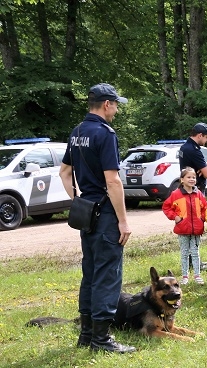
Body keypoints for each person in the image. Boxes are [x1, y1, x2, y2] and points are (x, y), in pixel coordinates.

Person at [59, 83, 135, 353]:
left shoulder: (77, 132)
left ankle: (86, 334)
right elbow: (113, 180)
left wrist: (78, 199)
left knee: (90, 273)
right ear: (106, 104)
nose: (116, 109)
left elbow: (64, 172)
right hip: (104, 215)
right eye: (115, 104)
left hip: (86, 213)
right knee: (107, 275)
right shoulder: (106, 134)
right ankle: (102, 340)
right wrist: (123, 221)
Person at [163, 168, 207, 285]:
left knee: (195, 252)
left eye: (193, 177)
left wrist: (202, 218)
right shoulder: (176, 194)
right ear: (182, 180)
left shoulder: (198, 193)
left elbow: (205, 208)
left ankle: (197, 275)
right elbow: (166, 207)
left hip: (196, 229)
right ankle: (185, 276)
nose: (192, 179)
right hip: (182, 229)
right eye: (188, 177)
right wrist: (175, 217)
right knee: (184, 253)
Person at [178, 122, 207, 197]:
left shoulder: (184, 147)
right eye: (206, 137)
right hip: (195, 190)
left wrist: (202, 169)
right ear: (200, 135)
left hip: (187, 187)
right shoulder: (194, 151)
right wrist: (202, 169)